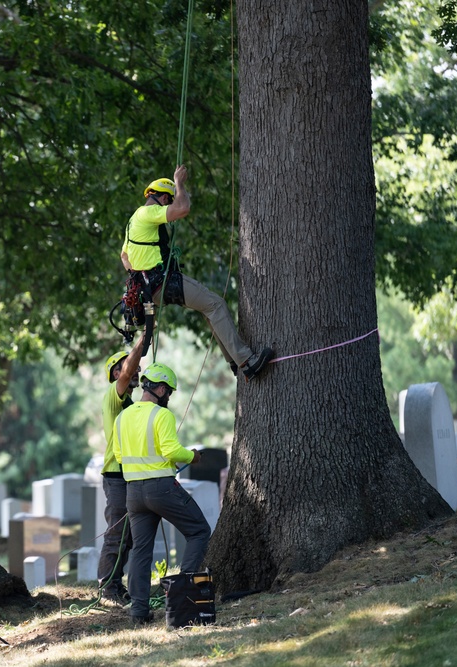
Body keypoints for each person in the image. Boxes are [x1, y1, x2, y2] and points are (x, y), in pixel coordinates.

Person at [120, 165, 273, 380]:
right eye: (168, 199)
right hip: (161, 282)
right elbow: (183, 209)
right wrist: (179, 184)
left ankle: (234, 361)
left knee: (209, 307)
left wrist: (138, 275)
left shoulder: (132, 222)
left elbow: (124, 256)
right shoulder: (148, 212)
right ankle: (247, 362)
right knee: (215, 304)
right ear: (163, 197)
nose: (169, 204)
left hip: (151, 287)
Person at [115, 362, 211, 624]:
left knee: (141, 551)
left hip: (133, 493)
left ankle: (138, 612)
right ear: (158, 389)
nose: (169, 397)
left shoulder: (122, 417)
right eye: (168, 391)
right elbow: (170, 450)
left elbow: (119, 455)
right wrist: (193, 456)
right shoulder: (161, 415)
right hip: (162, 489)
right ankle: (182, 596)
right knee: (199, 531)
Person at [97, 335, 146, 604]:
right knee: (117, 533)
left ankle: (117, 586)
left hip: (131, 474)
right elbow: (128, 371)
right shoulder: (114, 397)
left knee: (128, 535)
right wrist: (143, 338)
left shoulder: (130, 404)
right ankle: (107, 588)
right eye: (130, 366)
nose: (136, 369)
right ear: (117, 372)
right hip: (117, 475)